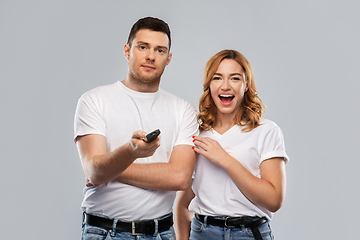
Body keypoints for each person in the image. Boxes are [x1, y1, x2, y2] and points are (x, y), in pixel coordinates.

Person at [74, 17, 198, 240]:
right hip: (105, 232)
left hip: (162, 233)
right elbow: (94, 171)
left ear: (168, 59)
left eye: (160, 50)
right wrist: (130, 152)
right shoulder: (94, 100)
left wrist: (111, 169)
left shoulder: (183, 110)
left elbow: (179, 177)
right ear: (127, 50)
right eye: (143, 47)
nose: (151, 56)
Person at [175, 49, 289, 240]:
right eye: (217, 78)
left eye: (235, 78)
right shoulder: (197, 134)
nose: (225, 86)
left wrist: (225, 160)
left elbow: (274, 200)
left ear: (245, 85)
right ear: (209, 85)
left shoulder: (266, 131)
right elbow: (182, 203)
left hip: (249, 233)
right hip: (203, 233)